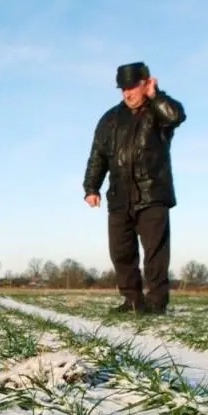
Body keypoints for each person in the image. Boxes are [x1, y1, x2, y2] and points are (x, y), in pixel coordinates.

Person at [82, 62, 186, 314]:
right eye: (122, 89)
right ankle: (132, 300)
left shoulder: (159, 112)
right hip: (119, 195)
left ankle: (156, 303)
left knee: (155, 254)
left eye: (132, 87)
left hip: (152, 193)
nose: (127, 93)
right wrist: (91, 187)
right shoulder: (109, 119)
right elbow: (98, 155)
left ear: (145, 83)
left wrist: (156, 95)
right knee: (121, 252)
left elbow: (177, 116)